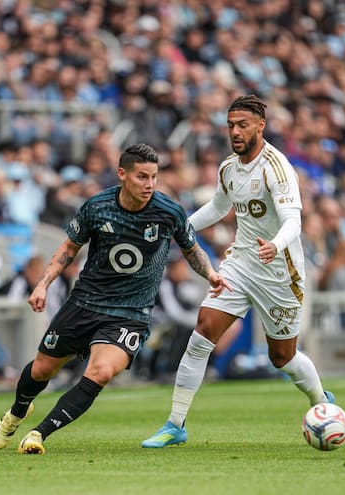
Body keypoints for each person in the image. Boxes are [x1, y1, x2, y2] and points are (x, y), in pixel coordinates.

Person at [0, 143, 230, 455]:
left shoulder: (168, 211)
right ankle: (17, 413)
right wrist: (42, 284)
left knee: (100, 373)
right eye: (142, 177)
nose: (149, 184)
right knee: (42, 370)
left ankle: (38, 434)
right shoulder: (97, 207)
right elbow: (68, 249)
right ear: (122, 174)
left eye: (154, 177)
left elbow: (191, 247)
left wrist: (209, 273)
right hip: (84, 304)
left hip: (130, 313)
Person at [141, 95, 334, 449]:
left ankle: (322, 402)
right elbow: (218, 207)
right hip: (241, 262)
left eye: (243, 125)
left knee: (283, 357)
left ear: (261, 125)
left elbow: (294, 220)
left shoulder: (277, 168)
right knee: (202, 332)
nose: (235, 131)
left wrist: (275, 245)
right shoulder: (229, 167)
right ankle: (175, 424)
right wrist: (180, 227)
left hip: (279, 271)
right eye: (230, 125)